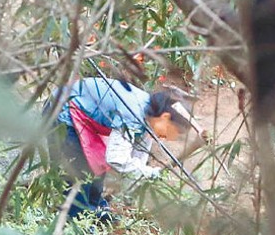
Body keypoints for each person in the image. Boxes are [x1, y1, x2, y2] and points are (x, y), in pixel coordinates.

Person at [46, 77, 191, 220]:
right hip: (62, 109)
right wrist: (149, 173)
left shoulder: (150, 116)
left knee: (97, 165)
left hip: (85, 119)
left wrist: (138, 181)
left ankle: (94, 209)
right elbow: (117, 159)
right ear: (165, 117)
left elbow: (137, 158)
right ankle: (74, 223)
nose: (168, 138)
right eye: (172, 132)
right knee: (79, 173)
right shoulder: (133, 113)